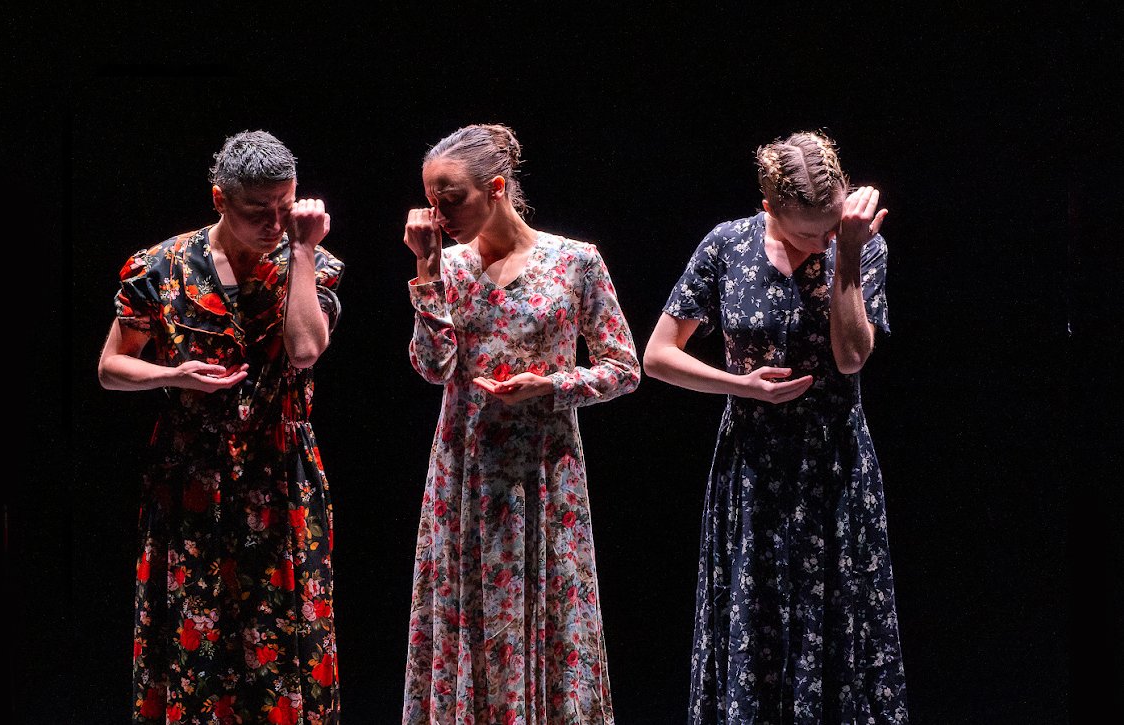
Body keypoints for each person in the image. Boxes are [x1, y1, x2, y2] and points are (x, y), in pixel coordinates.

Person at [644, 130, 908, 723]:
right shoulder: (726, 245)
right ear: (768, 208)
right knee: (753, 615)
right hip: (753, 462)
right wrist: (742, 386)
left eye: (832, 223)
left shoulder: (858, 246)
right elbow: (657, 356)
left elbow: (850, 358)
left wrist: (845, 259)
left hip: (834, 461)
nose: (823, 239)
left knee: (840, 620)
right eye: (807, 232)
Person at [98, 130, 344, 724]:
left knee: (284, 629)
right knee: (195, 630)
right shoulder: (158, 266)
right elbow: (110, 367)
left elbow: (307, 349)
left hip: (280, 472)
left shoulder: (311, 261)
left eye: (285, 207)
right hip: (190, 475)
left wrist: (305, 251)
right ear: (219, 199)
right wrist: (172, 375)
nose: (274, 223)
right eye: (257, 211)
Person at [400, 123, 640, 724]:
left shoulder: (575, 261)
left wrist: (552, 386)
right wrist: (426, 274)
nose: (437, 213)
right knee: (468, 614)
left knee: (550, 609)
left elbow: (623, 368)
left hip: (544, 475)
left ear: (497, 188)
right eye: (430, 199)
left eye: (450, 198)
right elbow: (432, 369)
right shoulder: (447, 268)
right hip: (465, 473)